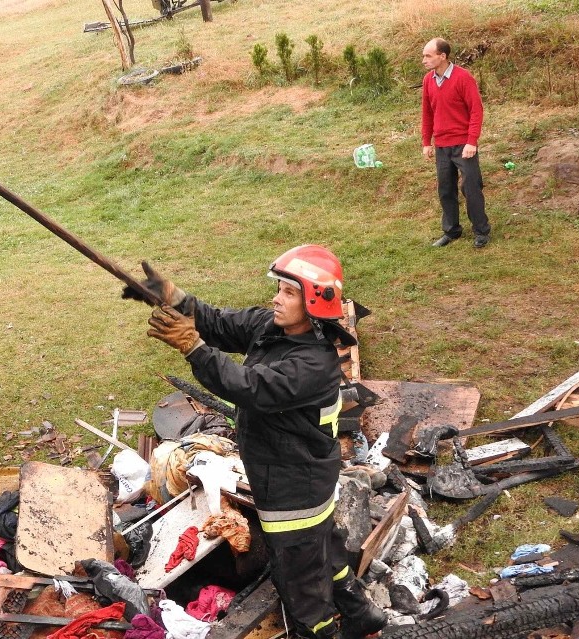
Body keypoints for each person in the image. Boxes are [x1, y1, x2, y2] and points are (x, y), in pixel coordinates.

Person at [122, 246, 387, 639]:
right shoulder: (273, 327)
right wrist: (175, 299)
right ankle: (361, 614)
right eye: (278, 288)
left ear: (314, 302)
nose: (277, 299)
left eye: (289, 292)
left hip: (294, 485)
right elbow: (223, 323)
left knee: (298, 579)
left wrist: (193, 348)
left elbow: (247, 387)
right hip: (298, 469)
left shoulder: (313, 365)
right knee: (324, 549)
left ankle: (320, 630)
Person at [421, 37, 491, 248]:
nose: (424, 60)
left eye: (428, 56)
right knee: (445, 189)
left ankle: (481, 231)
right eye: (423, 55)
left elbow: (476, 110)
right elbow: (427, 112)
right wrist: (427, 142)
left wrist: (472, 141)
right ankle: (452, 231)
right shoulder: (428, 80)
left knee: (471, 187)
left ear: (442, 56)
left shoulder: (463, 78)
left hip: (463, 145)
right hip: (442, 145)